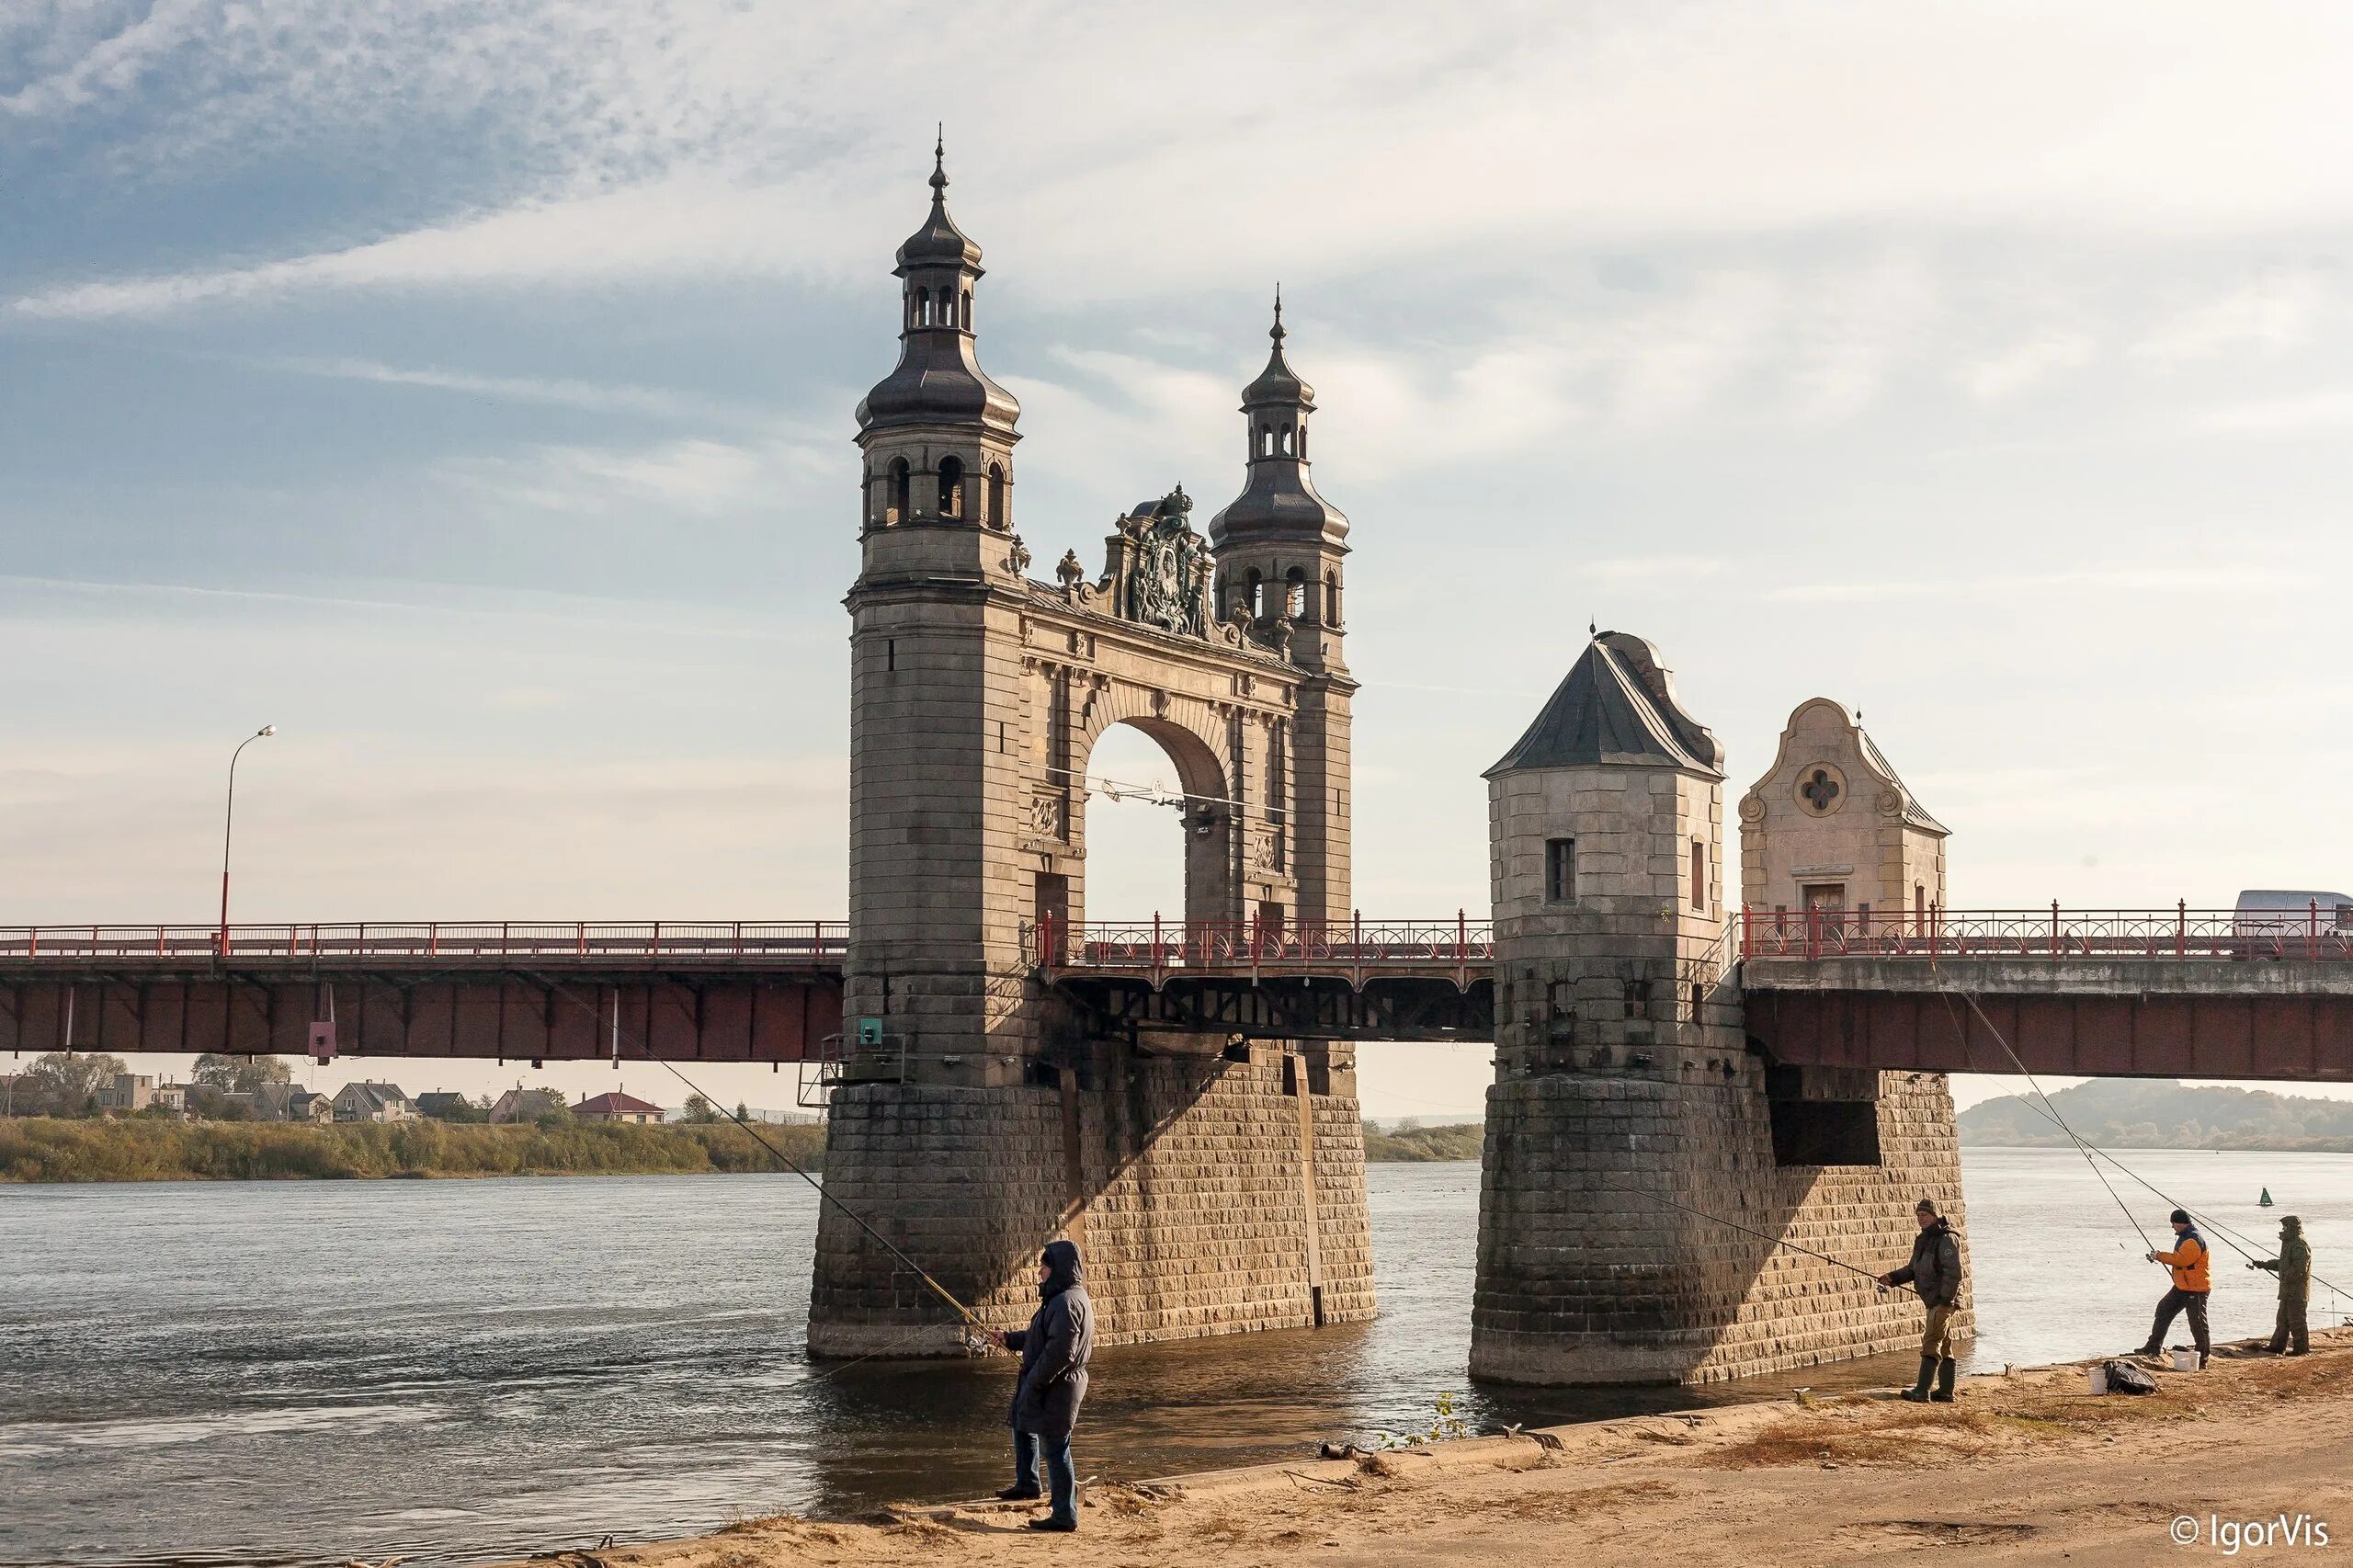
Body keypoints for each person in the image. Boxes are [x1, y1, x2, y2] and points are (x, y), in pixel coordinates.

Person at [994, 1238, 1095, 1531]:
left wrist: (1036, 1380)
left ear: (1058, 1269)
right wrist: (1009, 1339)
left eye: (1044, 1267)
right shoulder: (1062, 1298)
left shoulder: (1066, 1302)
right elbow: (1041, 1336)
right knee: (1022, 1423)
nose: (1039, 1272)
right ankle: (1027, 1484)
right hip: (1049, 1382)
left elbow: (1061, 1352)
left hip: (1058, 1386)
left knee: (1056, 1447)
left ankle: (1064, 1514)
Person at [1877, 1197, 1964, 1403]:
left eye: (1924, 1215)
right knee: (1944, 1344)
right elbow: (1912, 1269)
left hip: (1943, 1302)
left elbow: (1954, 1274)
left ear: (1935, 1216)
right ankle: (1945, 1391)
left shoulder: (1947, 1239)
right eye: (1918, 1215)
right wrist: (1892, 1278)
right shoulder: (1923, 1239)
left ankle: (1922, 1391)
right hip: (1934, 1301)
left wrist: (1945, 1300)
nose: (1920, 1219)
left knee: (1931, 1341)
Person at [2137, 1209, 2211, 1368]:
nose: (2172, 1227)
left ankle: (2202, 1358)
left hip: (2196, 1289)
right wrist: (2160, 1256)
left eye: (2173, 1224)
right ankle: (2153, 1347)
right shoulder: (2186, 1236)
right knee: (2163, 1309)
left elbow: (2182, 1260)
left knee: (2197, 1323)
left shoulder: (2193, 1239)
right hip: (2182, 1287)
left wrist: (2159, 1256)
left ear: (2181, 1223)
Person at [2252, 1214, 2312, 1357]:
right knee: (2282, 1320)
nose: (2283, 1229)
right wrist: (2263, 1264)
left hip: (2297, 1292)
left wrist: (2285, 1278)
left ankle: (2301, 1350)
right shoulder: (2290, 1242)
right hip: (2287, 1291)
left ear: (2292, 1227)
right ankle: (2277, 1347)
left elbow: (2299, 1268)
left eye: (2285, 1227)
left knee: (2297, 1321)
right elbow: (2282, 1264)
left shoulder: (2300, 1244)